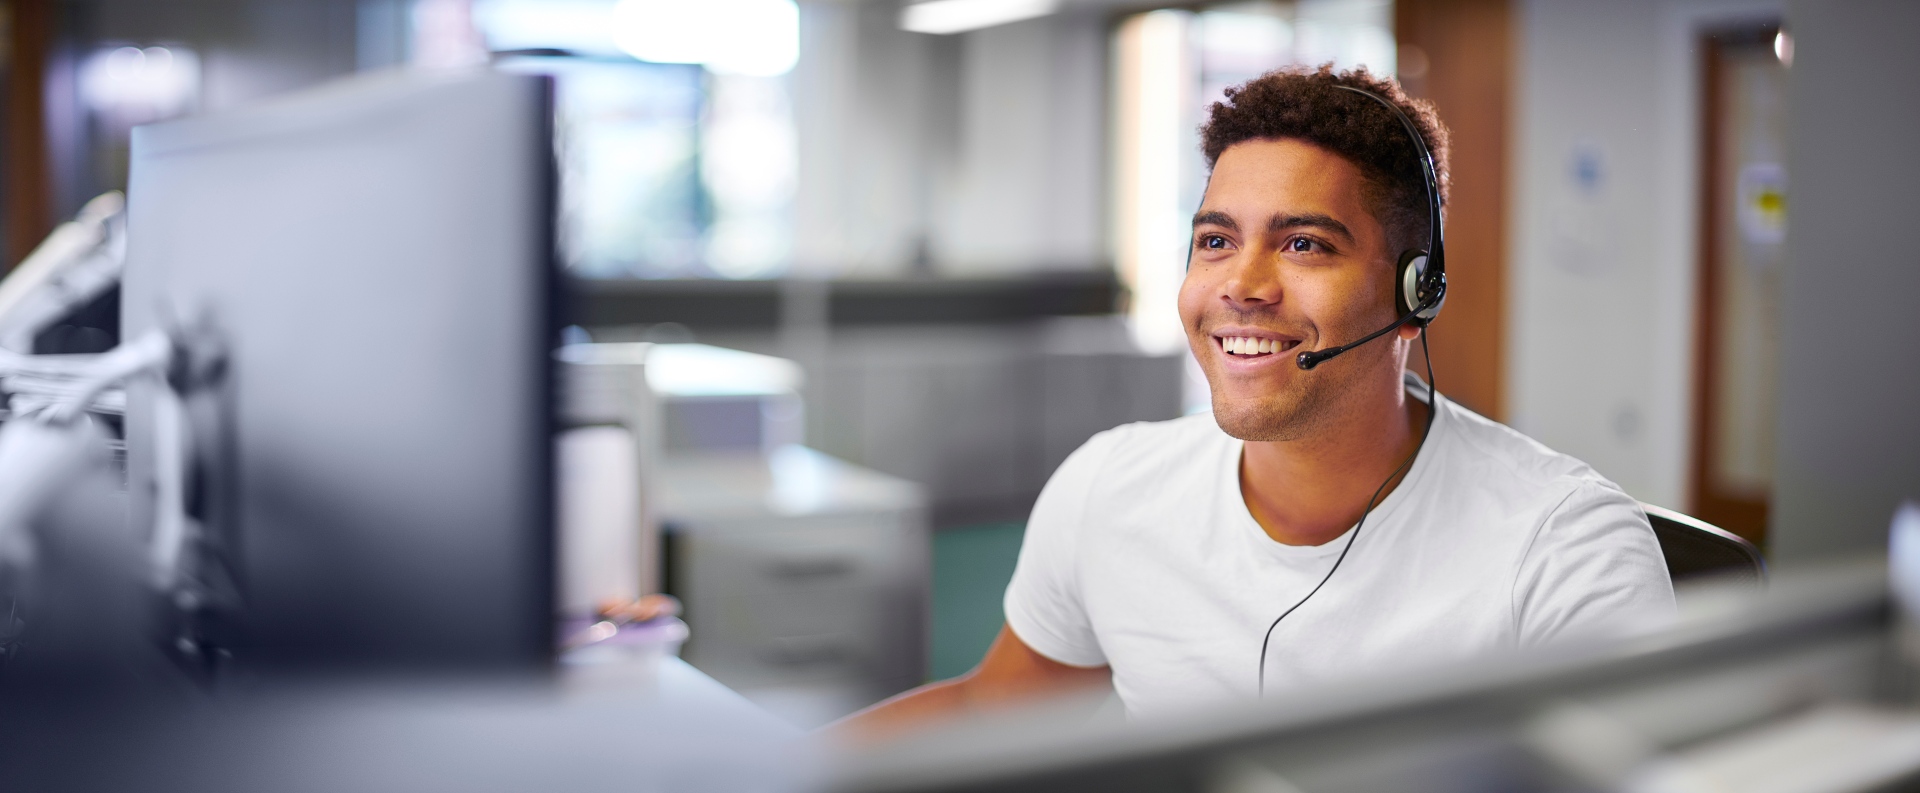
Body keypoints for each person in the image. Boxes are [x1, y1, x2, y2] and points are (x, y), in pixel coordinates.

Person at [836, 65, 1674, 737]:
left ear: (1416, 293)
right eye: (1215, 240)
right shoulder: (1110, 486)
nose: (1240, 285)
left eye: (1304, 243)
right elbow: (992, 713)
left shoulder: (1565, 550)